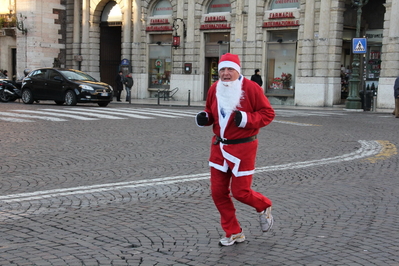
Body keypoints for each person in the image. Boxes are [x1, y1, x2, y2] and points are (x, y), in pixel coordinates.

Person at [195, 53, 275, 246]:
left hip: (243, 148)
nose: (226, 73)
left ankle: (264, 206)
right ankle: (234, 232)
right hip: (219, 148)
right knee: (218, 192)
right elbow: (210, 110)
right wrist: (206, 117)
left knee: (241, 192)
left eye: (230, 69)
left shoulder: (251, 88)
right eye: (222, 69)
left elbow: (268, 114)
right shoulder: (214, 88)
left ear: (237, 70)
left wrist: (247, 119)